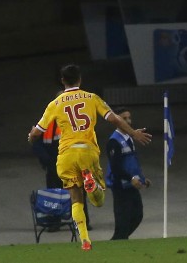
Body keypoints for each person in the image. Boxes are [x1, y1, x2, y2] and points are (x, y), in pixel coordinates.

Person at [27, 64, 152, 251]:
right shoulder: (92, 98)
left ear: (63, 81)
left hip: (66, 155)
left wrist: (30, 136)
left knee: (75, 199)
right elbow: (115, 119)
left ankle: (85, 240)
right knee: (98, 201)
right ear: (80, 79)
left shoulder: (55, 104)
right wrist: (133, 133)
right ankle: (92, 186)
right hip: (87, 151)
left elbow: (37, 132)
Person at [31, 91, 91, 231]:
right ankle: (54, 222)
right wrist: (47, 160)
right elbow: (36, 142)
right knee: (54, 194)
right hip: (54, 165)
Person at [105, 107, 151, 240]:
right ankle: (119, 241)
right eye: (124, 118)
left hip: (132, 184)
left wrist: (142, 179)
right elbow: (115, 167)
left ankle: (119, 239)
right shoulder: (114, 141)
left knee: (137, 215)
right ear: (116, 121)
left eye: (129, 118)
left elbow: (132, 162)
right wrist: (131, 178)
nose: (128, 121)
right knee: (123, 222)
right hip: (120, 186)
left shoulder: (129, 138)